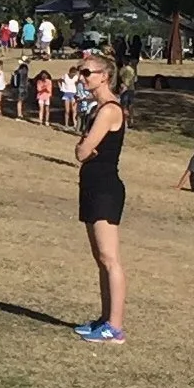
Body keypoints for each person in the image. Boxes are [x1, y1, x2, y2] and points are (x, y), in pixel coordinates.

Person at [72, 56, 127, 344]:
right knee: (100, 259)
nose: (82, 78)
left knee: (109, 258)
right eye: (80, 73)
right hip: (92, 185)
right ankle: (105, 319)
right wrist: (84, 148)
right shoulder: (96, 109)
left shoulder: (109, 110)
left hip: (106, 188)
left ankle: (115, 327)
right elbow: (81, 150)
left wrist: (85, 148)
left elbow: (83, 151)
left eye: (87, 73)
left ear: (104, 76)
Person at [60, 64, 79, 130]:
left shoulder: (76, 77)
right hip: (66, 94)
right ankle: (66, 124)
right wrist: (61, 88)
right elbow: (59, 81)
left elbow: (78, 84)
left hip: (73, 94)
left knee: (74, 110)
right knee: (67, 110)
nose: (74, 74)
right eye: (73, 73)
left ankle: (75, 123)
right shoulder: (65, 76)